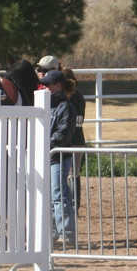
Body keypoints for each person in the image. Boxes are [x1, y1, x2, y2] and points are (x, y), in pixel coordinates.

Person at [41, 69, 76, 245]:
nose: (45, 87)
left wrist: (43, 144)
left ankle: (67, 233)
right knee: (51, 195)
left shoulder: (66, 107)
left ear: (58, 86)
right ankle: (55, 233)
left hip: (58, 156)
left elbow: (63, 134)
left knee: (58, 194)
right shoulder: (48, 106)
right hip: (50, 155)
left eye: (48, 84)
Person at [62, 68, 86, 209]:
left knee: (65, 172)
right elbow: (80, 119)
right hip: (78, 137)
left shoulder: (65, 97)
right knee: (75, 173)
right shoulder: (80, 97)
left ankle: (68, 203)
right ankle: (75, 205)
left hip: (69, 138)